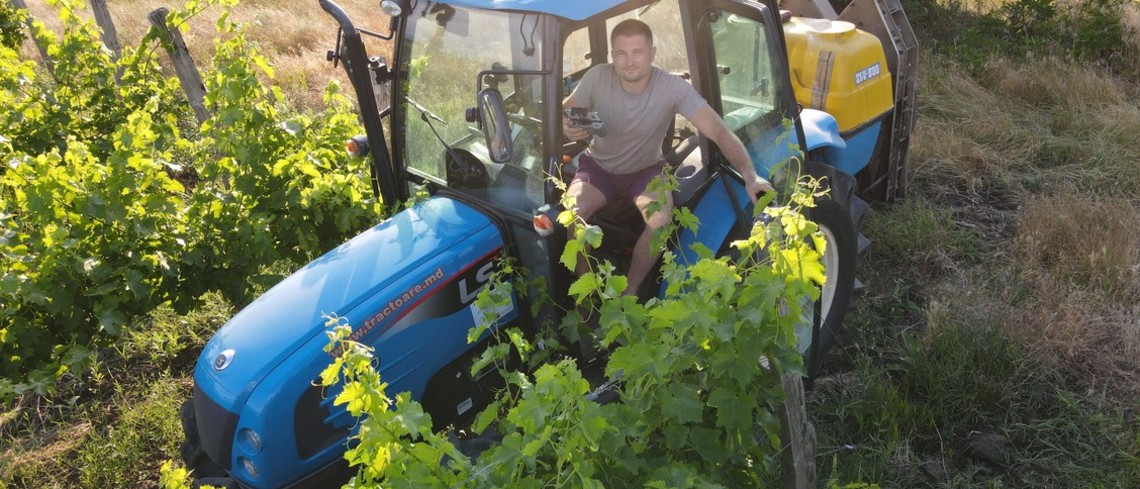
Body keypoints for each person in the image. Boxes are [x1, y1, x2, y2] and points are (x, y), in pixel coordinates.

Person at [562, 18, 773, 297]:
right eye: (621, 53)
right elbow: (567, 108)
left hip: (646, 170)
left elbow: (719, 131)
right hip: (598, 167)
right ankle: (587, 294)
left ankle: (631, 292)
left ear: (653, 53)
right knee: (571, 216)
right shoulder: (597, 77)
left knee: (660, 223)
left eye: (638, 52)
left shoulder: (672, 88)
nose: (629, 61)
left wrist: (750, 174)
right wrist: (567, 123)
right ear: (613, 56)